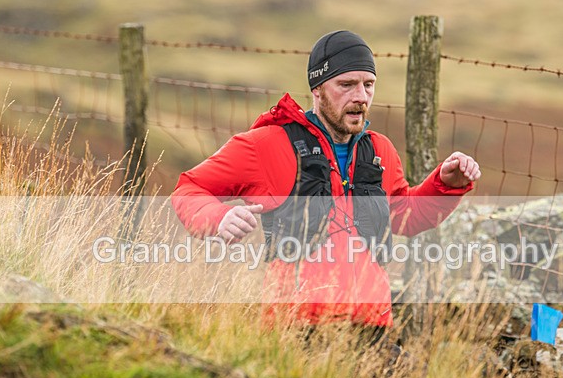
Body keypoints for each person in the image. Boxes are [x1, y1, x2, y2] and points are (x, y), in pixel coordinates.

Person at [172, 30, 480, 331]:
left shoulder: (379, 149)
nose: (361, 97)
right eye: (346, 84)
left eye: (368, 85)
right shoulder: (265, 145)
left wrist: (446, 184)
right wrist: (219, 217)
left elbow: (404, 217)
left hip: (371, 329)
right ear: (317, 88)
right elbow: (189, 189)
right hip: (295, 329)